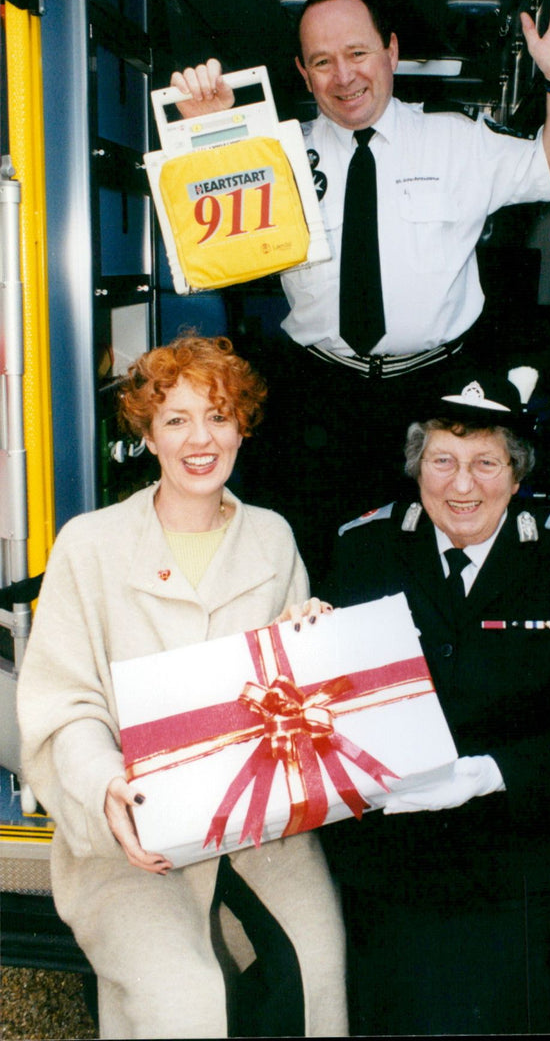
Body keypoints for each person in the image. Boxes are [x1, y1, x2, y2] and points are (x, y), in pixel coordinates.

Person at [170, 0, 550, 578]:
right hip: (317, 396)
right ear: (303, 72)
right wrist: (210, 138)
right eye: (322, 61)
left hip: (434, 397)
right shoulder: (273, 157)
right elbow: (213, 250)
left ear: (391, 52)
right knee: (308, 564)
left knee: (428, 569)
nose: (343, 76)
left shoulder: (455, 141)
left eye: (357, 53)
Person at [16, 333, 348, 1039]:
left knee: (315, 977)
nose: (201, 440)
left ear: (242, 428)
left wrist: (311, 645)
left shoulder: (272, 537)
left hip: (261, 831)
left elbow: (298, 705)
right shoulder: (89, 544)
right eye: (176, 420)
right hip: (136, 838)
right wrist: (105, 784)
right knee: (182, 1000)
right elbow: (64, 704)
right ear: (148, 435)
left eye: (219, 416)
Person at [319, 368, 550, 1035]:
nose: (462, 485)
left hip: (521, 845)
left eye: (485, 463)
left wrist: (491, 773)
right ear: (418, 469)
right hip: (396, 846)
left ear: (516, 476)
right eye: (443, 460)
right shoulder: (363, 551)